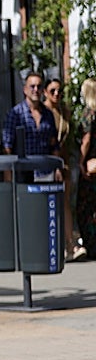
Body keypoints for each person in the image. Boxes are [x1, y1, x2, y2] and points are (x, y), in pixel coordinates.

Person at [43, 78, 81, 259]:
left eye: (59, 91)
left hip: (63, 161)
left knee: (65, 202)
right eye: (52, 91)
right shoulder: (43, 112)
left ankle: (70, 245)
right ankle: (53, 245)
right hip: (49, 161)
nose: (57, 94)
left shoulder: (64, 112)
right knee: (48, 203)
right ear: (45, 92)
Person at [2, 72, 59, 158]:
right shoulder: (15, 114)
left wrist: (57, 168)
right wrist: (8, 170)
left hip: (45, 168)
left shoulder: (48, 114)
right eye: (32, 86)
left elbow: (54, 144)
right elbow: (7, 146)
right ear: (25, 90)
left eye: (39, 87)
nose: (36, 90)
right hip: (24, 169)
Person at [76, 78, 96, 258]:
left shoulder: (89, 114)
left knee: (86, 207)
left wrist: (80, 162)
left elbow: (86, 140)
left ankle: (91, 245)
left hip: (92, 165)